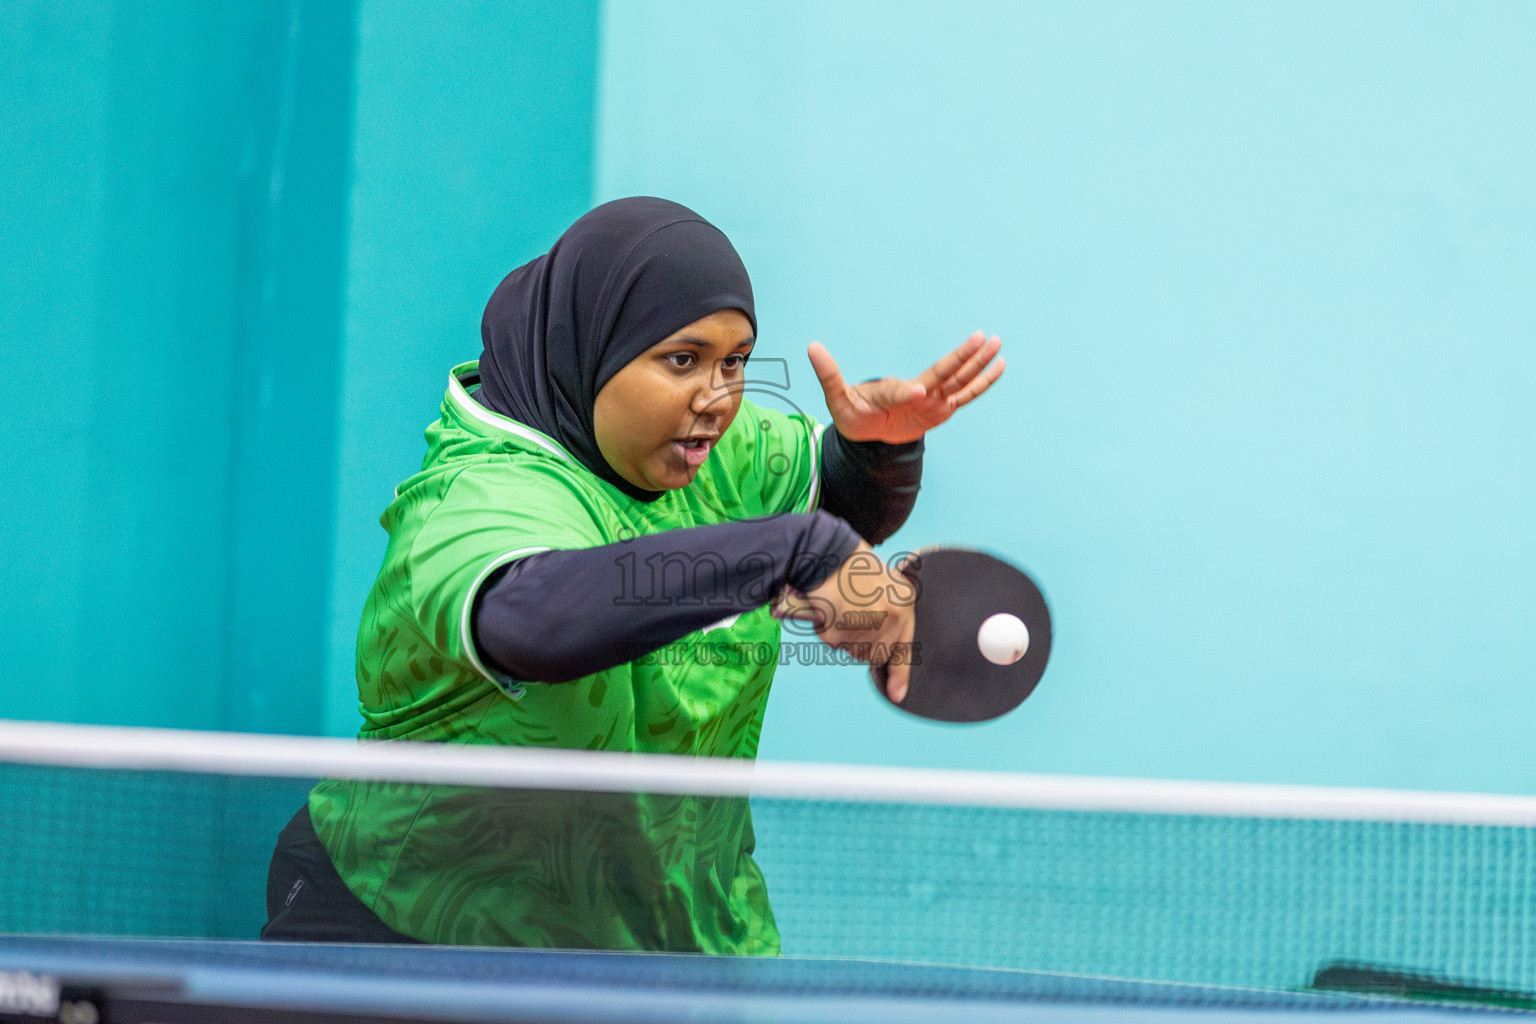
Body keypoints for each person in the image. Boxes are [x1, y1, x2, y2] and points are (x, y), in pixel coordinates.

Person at [261, 197, 1003, 950]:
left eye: (735, 362)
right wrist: (794, 551)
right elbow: (534, 620)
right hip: (419, 936)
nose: (717, 398)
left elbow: (835, 501)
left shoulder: (710, 444)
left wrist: (876, 450)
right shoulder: (477, 493)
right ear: (593, 345)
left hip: (670, 934)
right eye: (682, 360)